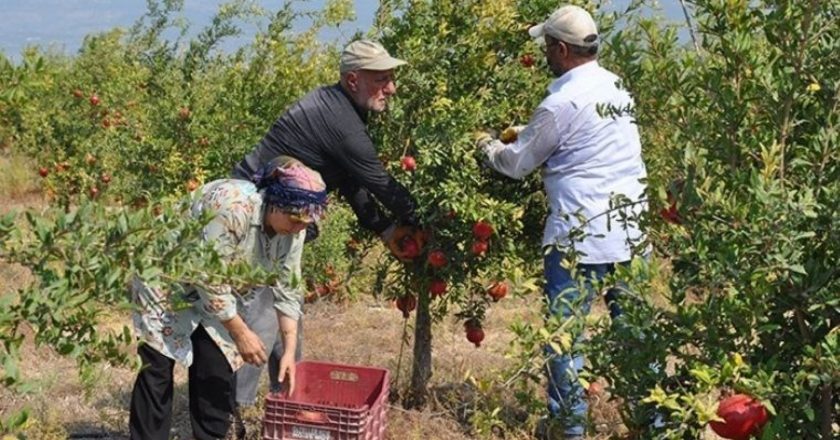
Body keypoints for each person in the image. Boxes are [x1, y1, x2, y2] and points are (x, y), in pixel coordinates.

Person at [229, 39, 424, 434]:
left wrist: (385, 229)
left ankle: (284, 400)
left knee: (287, 306)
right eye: (382, 79)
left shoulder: (343, 108)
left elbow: (352, 180)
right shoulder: (341, 121)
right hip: (257, 216)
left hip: (284, 215)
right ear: (353, 80)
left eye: (392, 78)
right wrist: (426, 222)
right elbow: (378, 182)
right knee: (263, 312)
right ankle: (228, 412)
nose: (392, 88)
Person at [477, 5, 648, 439]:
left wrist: (487, 146)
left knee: (567, 339)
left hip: (579, 238)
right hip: (630, 232)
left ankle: (568, 428)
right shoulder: (616, 87)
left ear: (560, 48)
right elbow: (585, 136)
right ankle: (655, 424)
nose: (545, 55)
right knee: (637, 340)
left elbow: (517, 163)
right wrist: (530, 127)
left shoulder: (559, 102)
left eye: (547, 46)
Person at [128, 156, 328, 440]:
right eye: (295, 220)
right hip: (166, 273)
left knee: (216, 365)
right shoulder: (232, 208)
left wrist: (288, 351)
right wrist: (241, 332)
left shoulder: (295, 228)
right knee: (158, 365)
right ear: (274, 200)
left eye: (305, 223)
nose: (298, 229)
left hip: (218, 286)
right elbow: (208, 276)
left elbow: (289, 286)